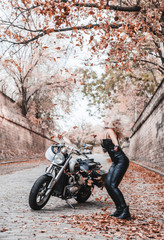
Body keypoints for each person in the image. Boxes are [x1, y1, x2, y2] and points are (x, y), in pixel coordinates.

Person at [101, 120, 131, 220]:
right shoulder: (104, 132)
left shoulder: (110, 130)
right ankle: (119, 209)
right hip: (115, 162)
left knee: (113, 185)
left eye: (106, 119)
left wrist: (116, 145)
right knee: (108, 184)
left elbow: (114, 139)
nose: (104, 121)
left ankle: (125, 210)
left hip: (121, 161)